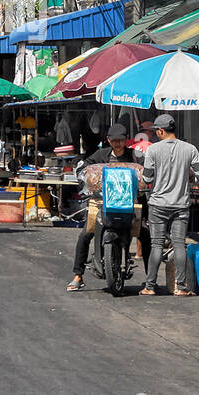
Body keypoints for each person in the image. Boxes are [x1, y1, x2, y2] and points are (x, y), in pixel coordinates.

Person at [66, 124, 146, 292]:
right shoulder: (100, 155)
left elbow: (147, 171)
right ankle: (78, 276)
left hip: (128, 204)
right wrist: (88, 177)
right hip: (102, 203)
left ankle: (150, 280)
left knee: (145, 234)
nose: (118, 144)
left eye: (121, 140)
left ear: (126, 141)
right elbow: (84, 167)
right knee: (85, 235)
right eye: (114, 140)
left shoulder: (134, 156)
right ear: (108, 140)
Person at [140, 114, 199, 297]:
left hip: (158, 205)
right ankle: (182, 287)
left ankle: (150, 286)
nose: (156, 134)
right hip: (180, 204)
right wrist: (189, 174)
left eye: (157, 131)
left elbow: (147, 179)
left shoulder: (152, 150)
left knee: (156, 245)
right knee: (179, 244)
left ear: (161, 130)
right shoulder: (190, 149)